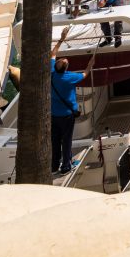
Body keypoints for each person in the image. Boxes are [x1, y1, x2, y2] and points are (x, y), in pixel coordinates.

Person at [50, 48, 84, 176]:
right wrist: (90, 65)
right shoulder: (70, 77)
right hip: (67, 116)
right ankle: (66, 166)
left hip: (54, 115)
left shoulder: (52, 73)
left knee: (55, 140)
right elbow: (85, 74)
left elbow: (53, 53)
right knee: (66, 140)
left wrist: (61, 40)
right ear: (66, 68)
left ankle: (54, 166)